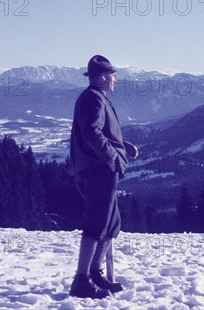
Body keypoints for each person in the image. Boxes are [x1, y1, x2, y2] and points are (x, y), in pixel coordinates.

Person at [68, 55, 139, 299]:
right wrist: (112, 157)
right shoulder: (93, 99)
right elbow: (91, 132)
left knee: (111, 222)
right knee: (97, 222)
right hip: (99, 169)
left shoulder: (95, 98)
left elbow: (99, 131)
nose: (115, 80)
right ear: (101, 77)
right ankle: (81, 280)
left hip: (100, 168)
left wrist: (122, 144)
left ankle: (94, 273)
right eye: (112, 76)